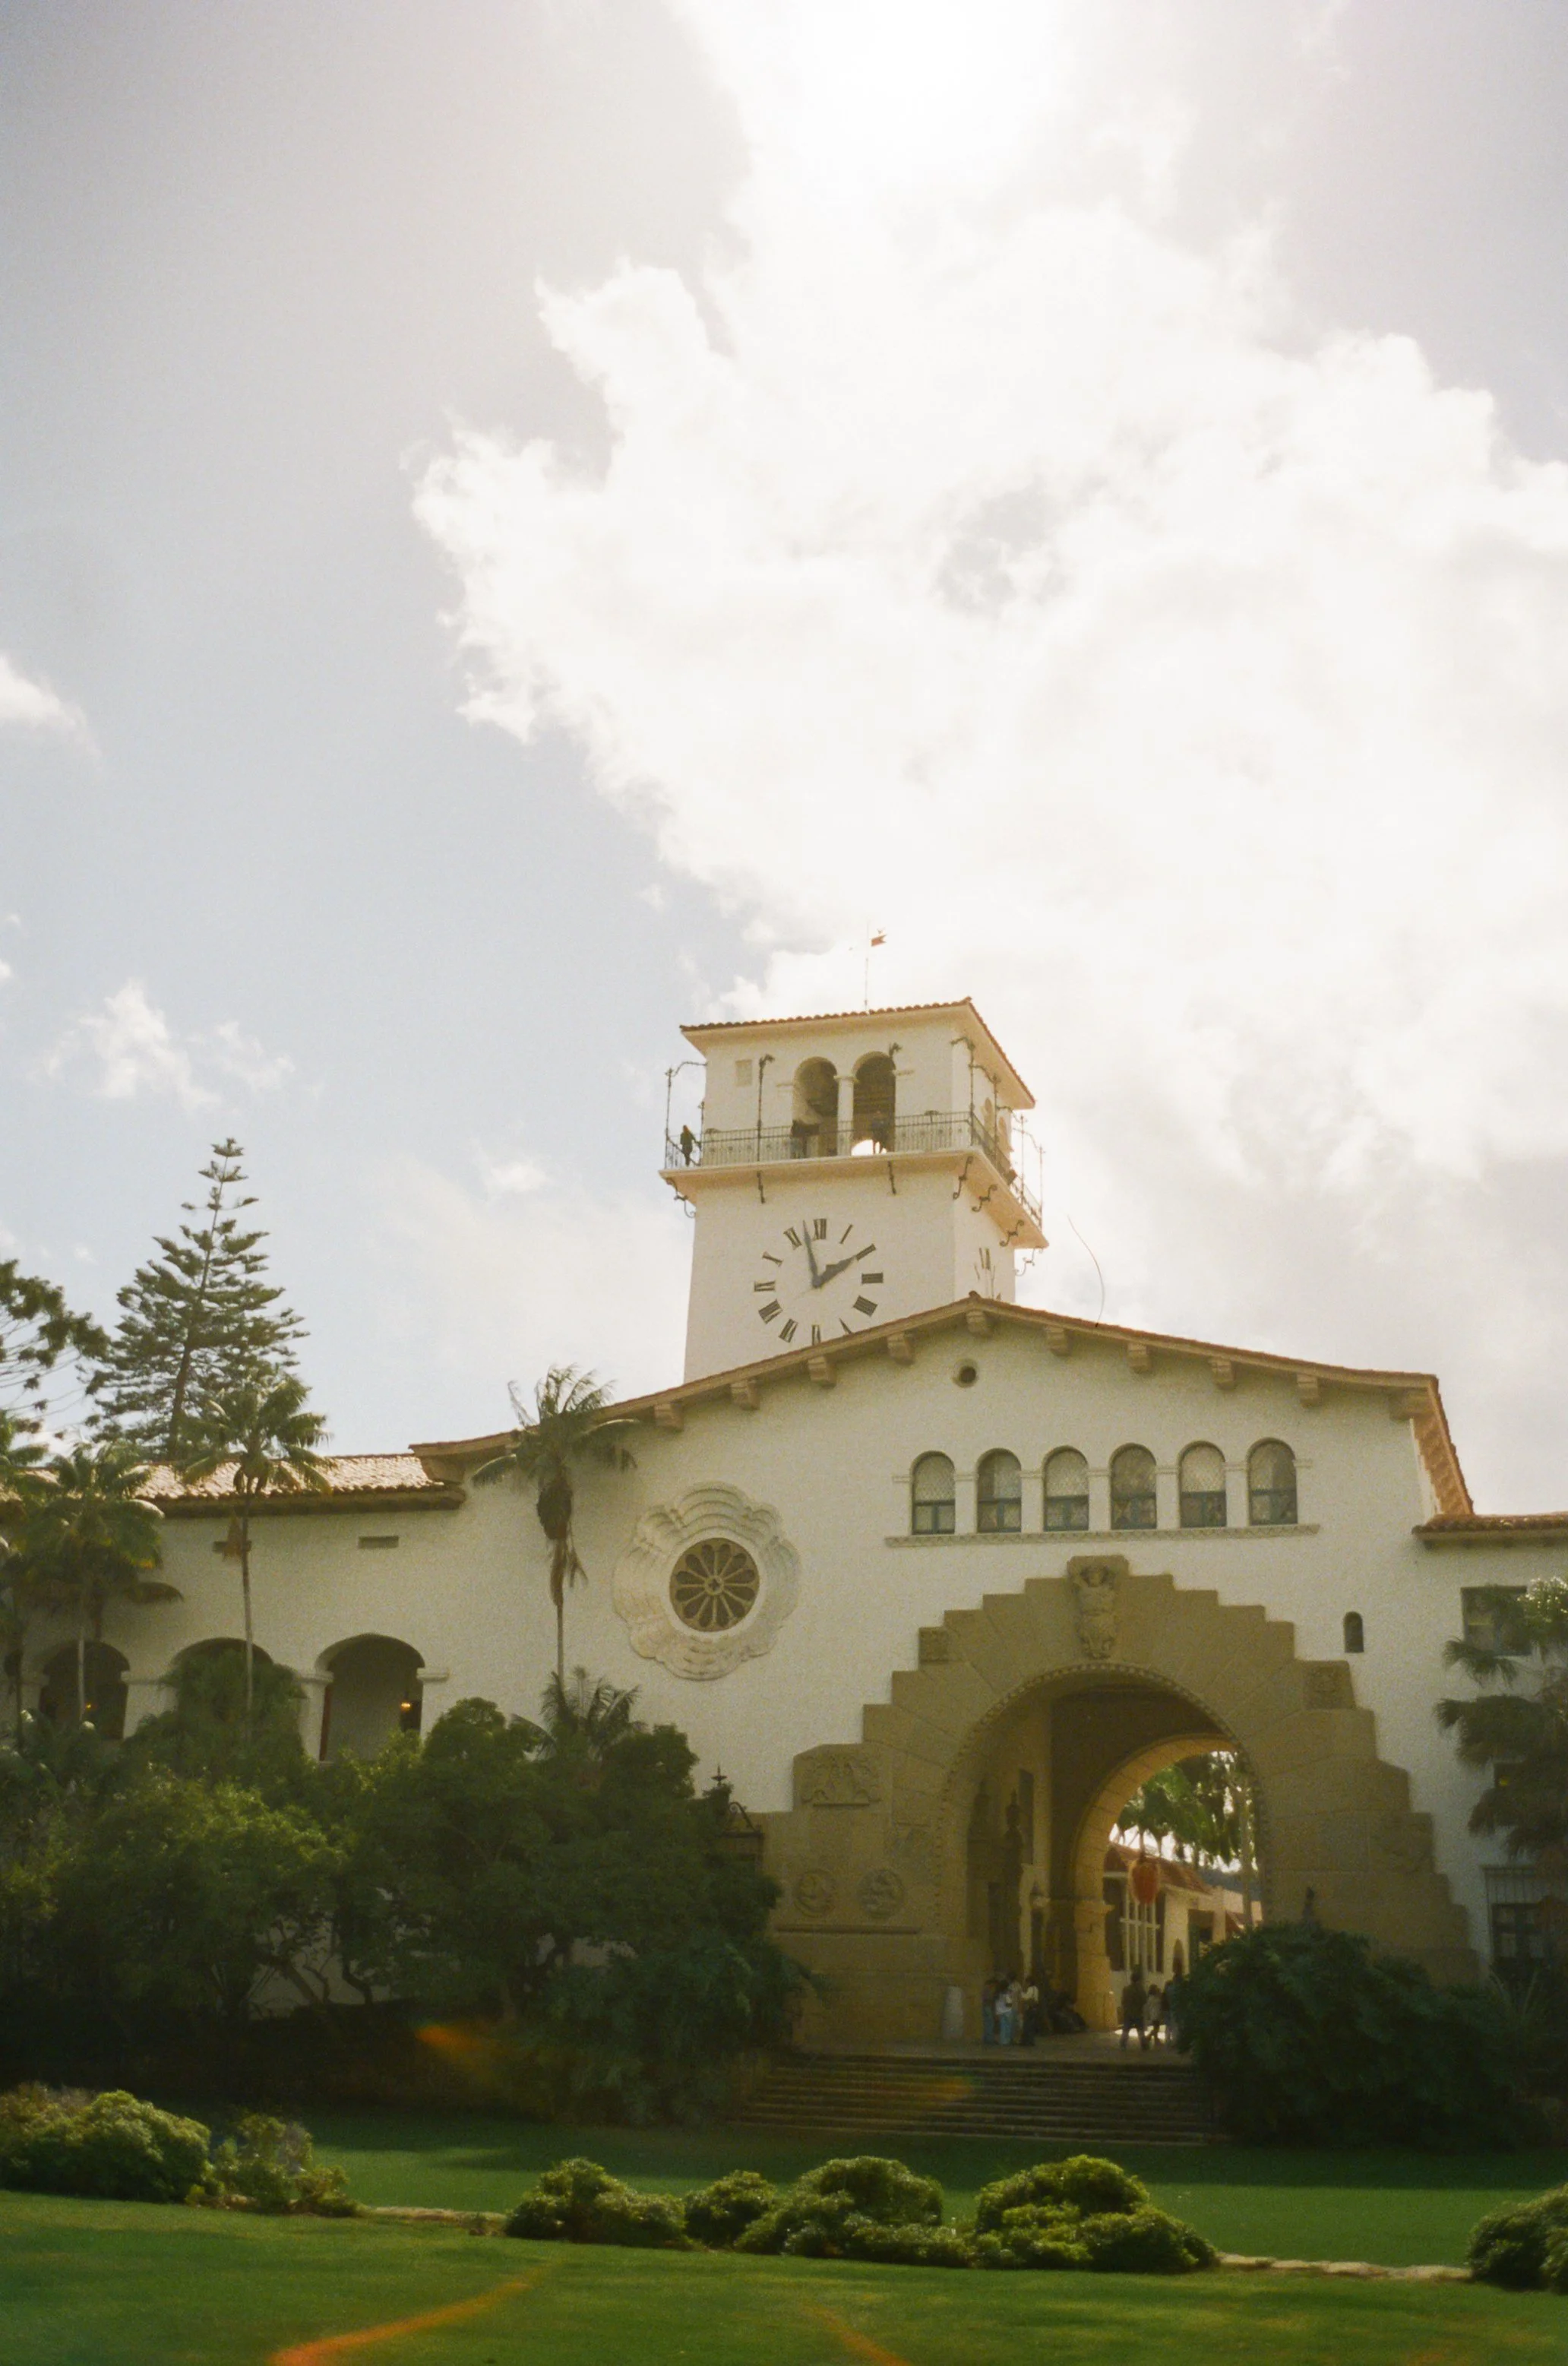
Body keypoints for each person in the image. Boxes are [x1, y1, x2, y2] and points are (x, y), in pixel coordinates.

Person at [1119, 1966, 1147, 2051]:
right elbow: (1144, 2000)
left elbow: (1123, 2001)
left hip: (1128, 2012)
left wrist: (1125, 2008)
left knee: (1126, 2030)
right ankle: (1144, 2045)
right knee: (1141, 2030)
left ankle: (1123, 2044)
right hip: (1138, 2012)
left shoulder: (1127, 1989)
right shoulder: (1141, 1990)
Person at [1020, 1973, 1041, 2046]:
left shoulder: (1030, 1989)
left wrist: (1022, 1993)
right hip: (1035, 2009)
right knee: (1032, 2026)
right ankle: (1031, 2040)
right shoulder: (1036, 1989)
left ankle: (1026, 2041)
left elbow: (1026, 1997)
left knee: (1027, 2025)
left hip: (1029, 2009)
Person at [981, 1978, 998, 2046]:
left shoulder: (986, 1989)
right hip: (987, 2007)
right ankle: (989, 2039)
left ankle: (987, 2038)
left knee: (987, 2023)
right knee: (990, 2023)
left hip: (986, 2007)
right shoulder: (987, 1989)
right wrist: (993, 1998)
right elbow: (987, 1999)